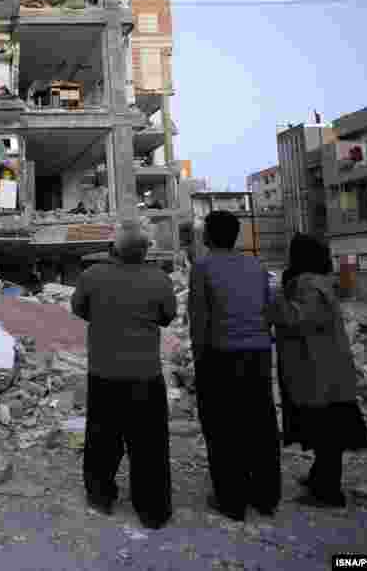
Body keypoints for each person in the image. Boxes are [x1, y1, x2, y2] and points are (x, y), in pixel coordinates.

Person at [71, 220, 177, 529]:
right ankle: (153, 510)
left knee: (102, 439)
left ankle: (100, 496)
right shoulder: (159, 279)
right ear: (146, 250)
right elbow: (167, 317)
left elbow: (79, 309)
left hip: (104, 374)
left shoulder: (92, 276)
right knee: (150, 445)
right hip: (146, 375)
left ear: (113, 247)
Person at [267, 233, 367, 508]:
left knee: (327, 432)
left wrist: (274, 297)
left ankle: (328, 491)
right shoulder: (316, 282)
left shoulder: (310, 285)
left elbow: (297, 319)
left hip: (319, 371)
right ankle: (320, 478)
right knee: (326, 430)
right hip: (322, 368)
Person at [189, 210, 280, 521]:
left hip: (221, 355)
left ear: (209, 236)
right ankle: (266, 497)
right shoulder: (256, 265)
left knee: (223, 427)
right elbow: (269, 310)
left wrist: (200, 360)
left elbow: (199, 319)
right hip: (258, 354)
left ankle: (232, 499)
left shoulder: (202, 267)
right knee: (261, 425)